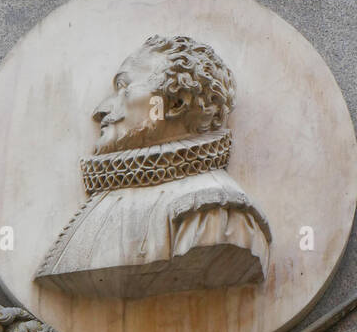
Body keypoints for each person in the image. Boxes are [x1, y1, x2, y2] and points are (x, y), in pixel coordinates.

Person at [35, 34, 271, 300]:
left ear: (175, 103)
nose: (100, 110)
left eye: (124, 87)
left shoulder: (213, 211)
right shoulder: (114, 191)